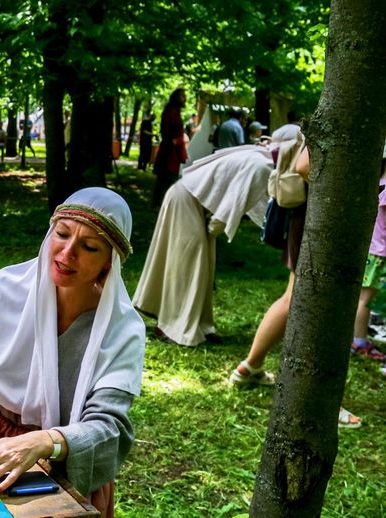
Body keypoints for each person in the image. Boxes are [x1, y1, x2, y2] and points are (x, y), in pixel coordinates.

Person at [0, 187, 144, 517]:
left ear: (109, 262)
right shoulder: (8, 289)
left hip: (66, 459)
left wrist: (44, 442)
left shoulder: (121, 331)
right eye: (62, 234)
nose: (68, 252)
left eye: (89, 246)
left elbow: (107, 428)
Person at [225, 126, 361, 428]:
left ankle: (250, 368)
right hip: (320, 222)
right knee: (320, 307)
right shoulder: (353, 112)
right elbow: (303, 165)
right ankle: (322, 402)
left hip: (320, 220)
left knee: (294, 298)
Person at [133, 145, 274, 346]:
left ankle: (200, 324)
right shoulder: (261, 165)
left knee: (202, 267)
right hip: (187, 199)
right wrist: (213, 229)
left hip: (194, 202)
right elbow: (235, 202)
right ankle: (170, 325)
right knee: (187, 265)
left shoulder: (262, 160)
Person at [351, 148, 386, 363]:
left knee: (365, 297)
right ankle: (359, 341)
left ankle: (357, 337)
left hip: (373, 249)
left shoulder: (378, 181)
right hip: (380, 253)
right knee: (366, 299)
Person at [152, 88, 187, 208]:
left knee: (165, 179)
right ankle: (162, 205)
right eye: (182, 96)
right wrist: (176, 141)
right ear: (177, 98)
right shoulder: (170, 111)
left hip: (172, 151)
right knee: (167, 179)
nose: (185, 98)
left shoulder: (174, 111)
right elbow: (167, 133)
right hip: (169, 152)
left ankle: (160, 204)